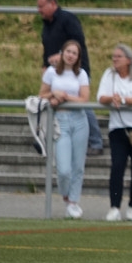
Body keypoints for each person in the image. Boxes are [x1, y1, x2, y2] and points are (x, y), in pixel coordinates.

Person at [37, 0, 104, 156]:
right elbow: (47, 47)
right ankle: (46, 136)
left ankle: (96, 140)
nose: (39, 10)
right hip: (57, 72)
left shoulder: (68, 19)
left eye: (41, 6)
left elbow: (78, 41)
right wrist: (45, 64)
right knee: (50, 100)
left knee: (81, 103)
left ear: (53, 4)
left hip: (76, 70)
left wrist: (62, 55)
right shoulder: (46, 25)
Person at [97, 43, 132, 222]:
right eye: (113, 56)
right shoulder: (109, 74)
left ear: (129, 60)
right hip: (118, 128)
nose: (115, 59)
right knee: (117, 167)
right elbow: (100, 97)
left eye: (118, 56)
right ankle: (114, 206)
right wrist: (111, 98)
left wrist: (123, 100)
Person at [38, 39, 90, 219]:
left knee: (78, 166)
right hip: (60, 121)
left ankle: (73, 202)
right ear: (62, 53)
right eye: (68, 51)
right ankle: (66, 195)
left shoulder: (81, 74)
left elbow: (84, 98)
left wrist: (65, 97)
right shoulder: (51, 72)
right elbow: (42, 95)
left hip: (79, 120)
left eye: (74, 53)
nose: (71, 56)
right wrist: (54, 94)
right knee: (63, 169)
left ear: (78, 57)